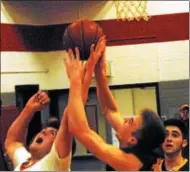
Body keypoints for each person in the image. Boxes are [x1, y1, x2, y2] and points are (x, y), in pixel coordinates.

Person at [63, 37, 166, 171]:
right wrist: (100, 73)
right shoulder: (137, 144)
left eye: (131, 122)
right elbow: (110, 110)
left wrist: (76, 81)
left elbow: (78, 129)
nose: (125, 119)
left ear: (132, 140)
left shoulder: (131, 163)